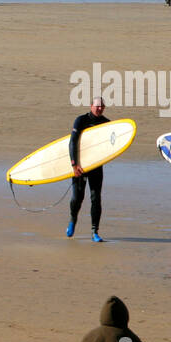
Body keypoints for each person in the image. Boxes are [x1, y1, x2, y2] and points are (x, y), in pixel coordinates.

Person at [68, 96, 111, 242]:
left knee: (96, 198)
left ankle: (95, 232)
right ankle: (73, 219)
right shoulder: (81, 120)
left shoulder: (107, 123)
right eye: (97, 106)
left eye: (102, 106)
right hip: (80, 165)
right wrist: (74, 164)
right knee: (77, 198)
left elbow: (111, 146)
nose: (99, 108)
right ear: (91, 105)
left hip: (96, 166)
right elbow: (72, 142)